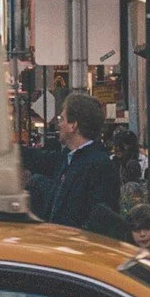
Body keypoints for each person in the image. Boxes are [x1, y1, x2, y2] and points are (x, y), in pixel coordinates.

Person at [45, 93, 123, 234]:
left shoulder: (99, 165)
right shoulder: (68, 159)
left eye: (62, 119)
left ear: (73, 125)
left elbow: (101, 219)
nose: (59, 124)